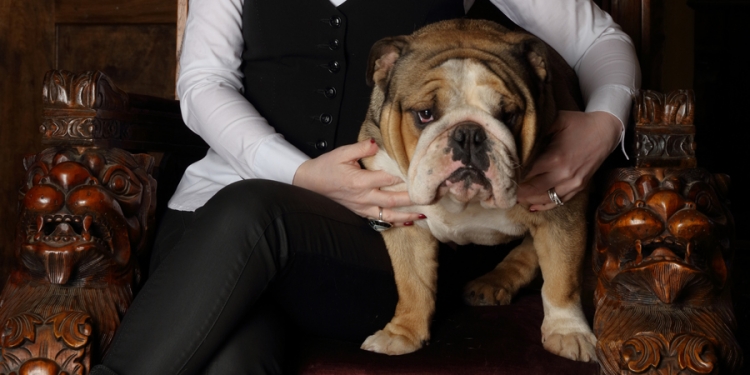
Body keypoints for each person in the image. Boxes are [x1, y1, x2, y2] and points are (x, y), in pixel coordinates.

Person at [90, 0, 640, 374]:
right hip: (214, 229)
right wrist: (301, 174)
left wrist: (603, 126)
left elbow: (600, 40)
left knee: (253, 209)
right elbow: (202, 82)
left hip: (372, 243)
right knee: (230, 359)